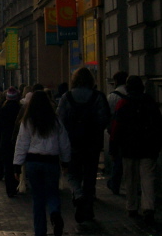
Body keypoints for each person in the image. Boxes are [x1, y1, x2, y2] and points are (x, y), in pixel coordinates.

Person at [57, 67, 110, 223]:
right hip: (92, 144)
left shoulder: (67, 97)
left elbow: (59, 120)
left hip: (72, 143)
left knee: (72, 174)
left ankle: (78, 194)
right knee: (89, 176)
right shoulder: (98, 97)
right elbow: (105, 119)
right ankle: (88, 209)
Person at [14, 90, 71, 236]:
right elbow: (64, 143)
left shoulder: (28, 121)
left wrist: (17, 166)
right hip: (51, 161)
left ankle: (40, 231)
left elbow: (22, 144)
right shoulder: (55, 120)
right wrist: (65, 162)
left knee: (38, 198)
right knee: (52, 193)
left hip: (33, 162)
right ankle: (54, 213)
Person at [111, 75, 162, 224]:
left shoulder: (123, 103)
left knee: (131, 178)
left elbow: (116, 128)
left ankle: (132, 206)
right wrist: (158, 144)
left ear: (128, 88)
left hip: (129, 148)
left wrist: (114, 147)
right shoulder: (150, 102)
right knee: (148, 178)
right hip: (148, 147)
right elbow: (159, 125)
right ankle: (148, 207)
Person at [0, 86, 22, 197]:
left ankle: (9, 189)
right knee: (17, 164)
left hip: (6, 141)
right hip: (18, 140)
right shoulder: (20, 109)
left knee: (8, 166)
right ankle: (17, 186)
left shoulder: (3, 109)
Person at [106, 70, 128, 195]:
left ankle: (115, 183)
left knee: (117, 160)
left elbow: (107, 115)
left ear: (115, 82)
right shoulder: (132, 93)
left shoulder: (112, 96)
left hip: (116, 132)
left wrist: (109, 129)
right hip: (132, 133)